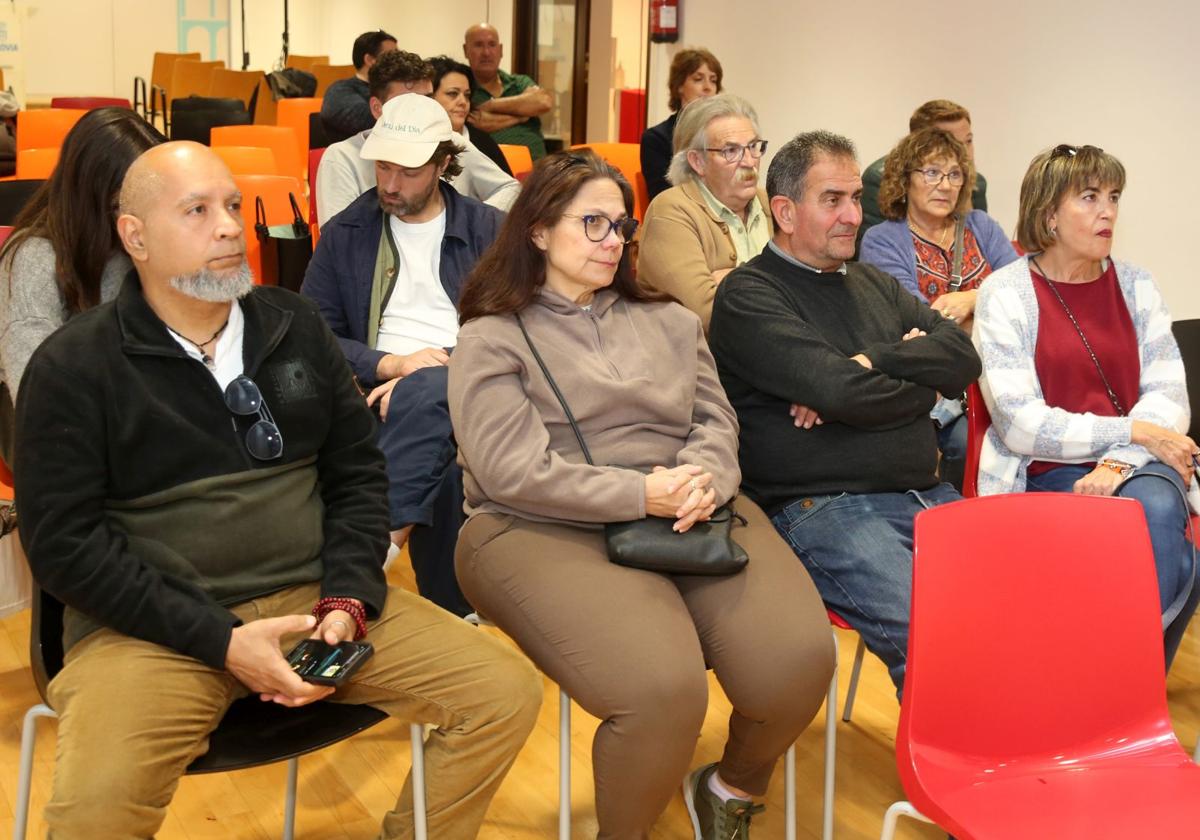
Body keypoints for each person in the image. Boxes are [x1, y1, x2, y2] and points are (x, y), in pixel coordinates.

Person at [13, 141, 541, 839]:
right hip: (149, 631)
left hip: (311, 601)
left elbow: (357, 477)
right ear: (133, 236)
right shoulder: (74, 365)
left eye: (232, 205)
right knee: (94, 810)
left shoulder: (295, 328)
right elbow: (65, 547)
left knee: (502, 692)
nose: (230, 226)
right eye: (197, 211)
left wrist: (348, 595)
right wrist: (222, 640)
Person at [449, 150, 835, 840]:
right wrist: (641, 493)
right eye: (590, 223)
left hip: (687, 504)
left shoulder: (671, 321)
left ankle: (730, 788)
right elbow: (512, 471)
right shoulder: (492, 336)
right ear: (537, 230)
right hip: (536, 524)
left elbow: (717, 421)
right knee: (662, 692)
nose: (611, 241)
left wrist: (704, 479)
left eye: (619, 226)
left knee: (798, 661)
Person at [709, 131, 980, 692]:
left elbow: (961, 359)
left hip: (925, 493)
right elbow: (845, 393)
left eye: (856, 198)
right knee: (938, 634)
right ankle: (960, 776)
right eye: (833, 200)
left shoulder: (872, 282)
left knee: (1010, 614)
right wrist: (918, 387)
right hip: (827, 506)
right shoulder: (749, 295)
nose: (854, 216)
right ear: (783, 210)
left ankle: (1030, 760)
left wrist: (875, 360)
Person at [973, 143, 1200, 666]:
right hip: (1044, 471)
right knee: (1178, 557)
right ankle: (1128, 699)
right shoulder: (1005, 293)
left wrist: (1121, 459)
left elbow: (1170, 398)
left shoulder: (1138, 285)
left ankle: (1123, 700)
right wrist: (1135, 434)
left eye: (1114, 197)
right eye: (1090, 197)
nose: (1108, 212)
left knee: (1155, 508)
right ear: (1048, 214)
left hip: (1134, 468)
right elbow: (1020, 424)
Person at [303, 94, 503, 616]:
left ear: (442, 163)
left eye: (408, 171)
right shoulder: (347, 231)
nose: (390, 184)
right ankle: (457, 618)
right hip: (374, 389)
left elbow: (516, 327)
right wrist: (389, 367)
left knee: (434, 396)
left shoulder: (487, 230)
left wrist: (434, 368)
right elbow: (312, 332)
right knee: (450, 465)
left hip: (470, 379)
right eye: (383, 167)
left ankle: (367, 558)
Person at [860, 127, 1017, 485]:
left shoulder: (981, 226)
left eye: (954, 174)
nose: (944, 185)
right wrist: (990, 312)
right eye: (931, 172)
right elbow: (917, 319)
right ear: (905, 179)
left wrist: (972, 299)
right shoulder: (882, 239)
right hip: (939, 386)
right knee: (966, 444)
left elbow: (1024, 295)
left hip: (1004, 372)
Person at [0, 107, 163, 436]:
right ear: (95, 196)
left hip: (128, 405)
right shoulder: (36, 258)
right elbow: (36, 392)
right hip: (47, 426)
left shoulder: (142, 242)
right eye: (127, 202)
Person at [638, 93, 772, 332]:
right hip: (703, 364)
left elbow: (815, 286)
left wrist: (732, 280)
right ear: (697, 162)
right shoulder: (671, 212)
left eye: (753, 147)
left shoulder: (773, 203)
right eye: (731, 151)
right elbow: (707, 316)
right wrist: (784, 284)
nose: (749, 162)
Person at [316, 50, 436, 227]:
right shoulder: (342, 158)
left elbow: (493, 190)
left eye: (428, 101)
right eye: (406, 104)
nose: (422, 112)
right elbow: (337, 241)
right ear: (377, 108)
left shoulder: (445, 144)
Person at [859, 99, 988, 247]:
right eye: (949, 142)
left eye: (968, 141)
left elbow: (985, 248)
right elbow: (869, 253)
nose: (964, 153)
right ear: (918, 143)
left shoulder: (977, 183)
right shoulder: (878, 179)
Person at [640, 48, 722, 201]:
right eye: (698, 79)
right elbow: (662, 197)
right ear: (679, 86)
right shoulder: (655, 138)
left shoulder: (722, 133)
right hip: (679, 215)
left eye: (713, 80)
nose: (708, 87)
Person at [463, 23, 552, 159]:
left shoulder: (519, 82)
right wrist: (522, 115)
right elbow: (479, 123)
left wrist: (492, 105)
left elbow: (544, 102)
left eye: (492, 44)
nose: (486, 52)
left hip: (538, 171)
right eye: (478, 45)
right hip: (493, 174)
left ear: (501, 50)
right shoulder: (464, 90)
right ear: (466, 51)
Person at [428, 55, 513, 176]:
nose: (463, 102)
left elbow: (509, 189)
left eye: (467, 95)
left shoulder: (483, 143)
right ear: (429, 96)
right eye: (453, 93)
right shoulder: (416, 139)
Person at [320, 29, 397, 144]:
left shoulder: (396, 89)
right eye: (391, 56)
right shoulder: (340, 91)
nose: (399, 61)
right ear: (370, 60)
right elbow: (369, 123)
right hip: (352, 158)